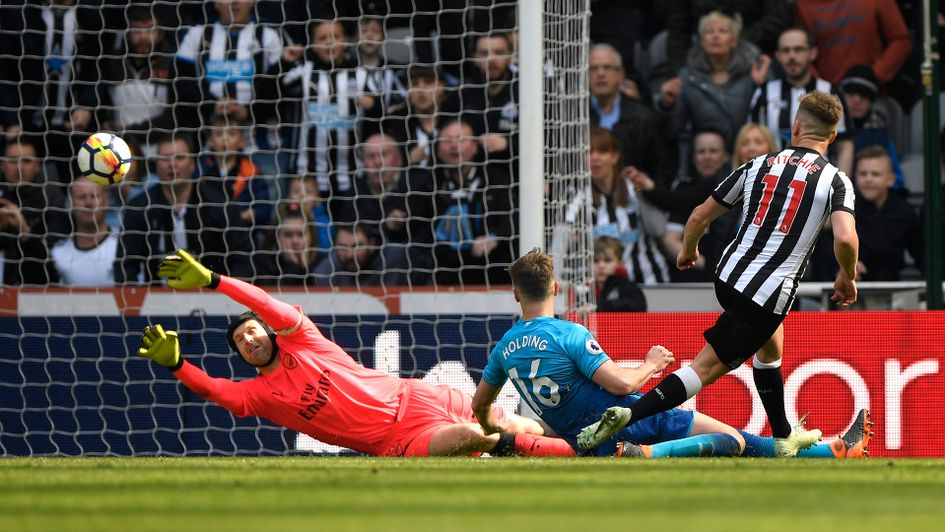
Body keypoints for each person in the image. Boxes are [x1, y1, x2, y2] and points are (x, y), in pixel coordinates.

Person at [578, 91, 860, 457]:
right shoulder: (836, 181)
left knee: (771, 342)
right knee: (703, 368)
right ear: (833, 137)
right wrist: (847, 276)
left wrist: (688, 250)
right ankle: (627, 414)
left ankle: (784, 432)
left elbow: (698, 216)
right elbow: (845, 237)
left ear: (795, 127)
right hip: (766, 294)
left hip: (728, 276)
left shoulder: (759, 164)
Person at [137, 248, 576, 458]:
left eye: (252, 331)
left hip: (419, 396)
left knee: (512, 422)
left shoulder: (303, 339)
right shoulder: (261, 394)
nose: (249, 340)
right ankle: (577, 456)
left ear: (268, 332)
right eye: (240, 343)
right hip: (396, 440)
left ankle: (587, 444)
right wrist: (178, 364)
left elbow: (265, 303)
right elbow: (218, 393)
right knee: (476, 436)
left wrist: (214, 280)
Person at [472, 249, 872, 459]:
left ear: (515, 294)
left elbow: (481, 405)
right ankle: (646, 455)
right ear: (556, 289)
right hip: (634, 421)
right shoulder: (570, 334)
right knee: (733, 441)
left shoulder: (504, 348)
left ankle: (834, 450)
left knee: (742, 441)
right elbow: (622, 383)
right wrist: (653, 363)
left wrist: (494, 427)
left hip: (585, 441)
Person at [115, 135, 253, 284]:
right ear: (156, 166)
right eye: (165, 159)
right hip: (156, 300)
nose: (172, 164)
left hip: (213, 297)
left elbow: (242, 260)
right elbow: (125, 266)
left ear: (193, 164)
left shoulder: (220, 205)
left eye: (179, 158)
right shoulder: (139, 207)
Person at [659, 10, 769, 164]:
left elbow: (767, 120)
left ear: (734, 41)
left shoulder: (755, 72)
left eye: (722, 31)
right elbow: (673, 130)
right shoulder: (687, 77)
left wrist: (761, 86)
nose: (715, 36)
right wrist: (667, 105)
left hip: (746, 158)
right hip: (706, 161)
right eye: (709, 32)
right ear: (702, 40)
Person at [749, 26, 854, 175]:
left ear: (812, 53)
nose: (792, 56)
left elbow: (844, 145)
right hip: (772, 184)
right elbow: (749, 141)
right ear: (778, 56)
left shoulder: (830, 92)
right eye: (786, 50)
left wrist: (840, 189)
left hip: (819, 184)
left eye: (798, 49)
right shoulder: (764, 93)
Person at [574, 128, 669, 285]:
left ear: (615, 157)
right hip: (600, 292)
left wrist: (644, 192)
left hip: (647, 283)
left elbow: (658, 229)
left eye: (602, 152)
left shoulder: (634, 188)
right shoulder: (576, 198)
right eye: (589, 152)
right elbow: (561, 248)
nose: (594, 158)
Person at [589, 43, 674, 187]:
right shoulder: (572, 120)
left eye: (607, 67)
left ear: (620, 74)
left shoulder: (644, 118)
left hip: (632, 200)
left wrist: (639, 190)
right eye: (593, 69)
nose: (600, 74)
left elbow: (659, 173)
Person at [795, 0, 911, 87]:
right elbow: (799, 49)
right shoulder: (803, 5)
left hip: (870, 96)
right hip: (826, 98)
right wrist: (819, 85)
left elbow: (900, 40)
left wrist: (872, 76)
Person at [0, 139, 69, 285]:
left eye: (26, 161)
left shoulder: (51, 201)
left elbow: (56, 255)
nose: (19, 167)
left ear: (37, 166)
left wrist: (25, 232)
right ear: (2, 165)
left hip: (37, 286)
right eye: (12, 161)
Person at [852, 146, 923, 282]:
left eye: (875, 174)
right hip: (852, 289)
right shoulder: (845, 209)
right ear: (856, 177)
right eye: (863, 173)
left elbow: (921, 253)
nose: (868, 179)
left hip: (893, 288)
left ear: (891, 179)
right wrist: (845, 265)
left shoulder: (904, 212)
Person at [50, 176, 117, 286]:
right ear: (70, 203)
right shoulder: (58, 254)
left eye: (94, 196)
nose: (88, 203)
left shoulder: (123, 246)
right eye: (81, 197)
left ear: (106, 201)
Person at [311, 224, 412, 287]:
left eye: (357, 246)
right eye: (343, 247)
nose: (349, 254)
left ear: (372, 244)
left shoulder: (397, 258)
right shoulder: (325, 273)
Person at [252, 202, 320, 286]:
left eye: (300, 234)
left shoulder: (321, 263)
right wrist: (292, 266)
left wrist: (305, 269)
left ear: (311, 236)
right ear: (277, 237)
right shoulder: (264, 264)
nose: (295, 241)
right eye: (288, 235)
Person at [593, 237, 647, 312]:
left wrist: (598, 307)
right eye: (595, 261)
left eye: (607, 261)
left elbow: (638, 306)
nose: (601, 266)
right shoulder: (583, 289)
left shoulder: (628, 287)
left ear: (620, 264)